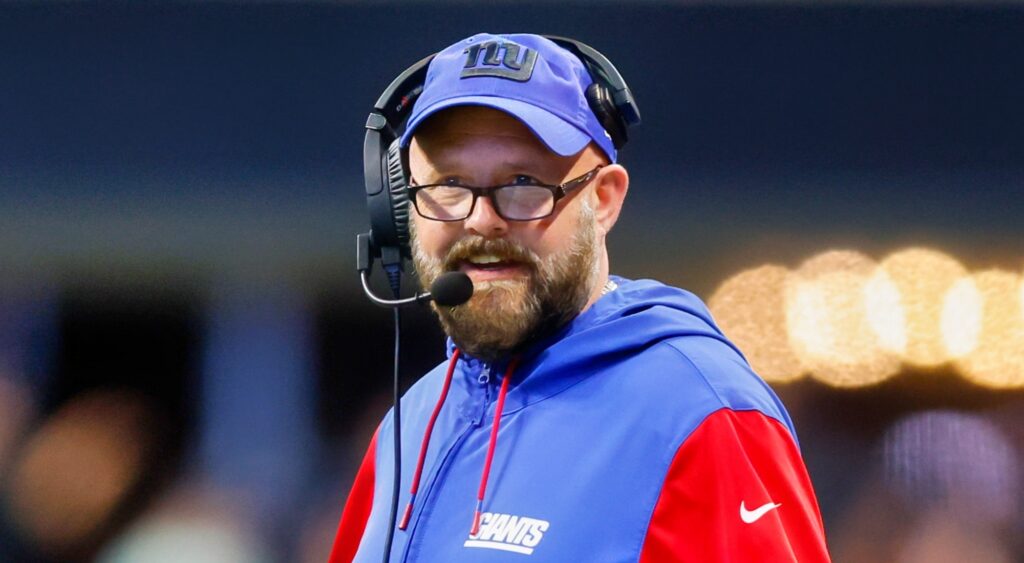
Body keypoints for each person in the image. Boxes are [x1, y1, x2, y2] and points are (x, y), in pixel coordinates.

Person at [330, 33, 831, 562]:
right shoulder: (410, 426)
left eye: (522, 182)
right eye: (449, 184)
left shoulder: (703, 417)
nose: (480, 219)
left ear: (604, 199)